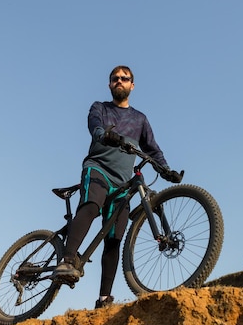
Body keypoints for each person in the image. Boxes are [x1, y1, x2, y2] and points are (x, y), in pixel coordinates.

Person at [52, 65, 182, 309]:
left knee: (114, 238)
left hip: (123, 183)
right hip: (98, 168)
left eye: (125, 78)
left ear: (132, 85)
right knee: (91, 207)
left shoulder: (140, 119)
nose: (119, 81)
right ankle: (67, 260)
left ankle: (104, 299)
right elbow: (94, 125)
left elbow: (152, 148)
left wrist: (166, 169)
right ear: (110, 84)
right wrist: (103, 134)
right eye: (115, 79)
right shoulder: (100, 108)